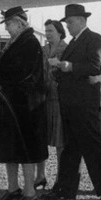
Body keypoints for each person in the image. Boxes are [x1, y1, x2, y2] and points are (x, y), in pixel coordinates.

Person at [42, 4, 101, 200]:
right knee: (71, 149)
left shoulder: (94, 39)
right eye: (67, 23)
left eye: (69, 22)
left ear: (81, 20)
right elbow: (73, 70)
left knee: (94, 147)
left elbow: (97, 67)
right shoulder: (76, 42)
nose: (67, 26)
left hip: (84, 104)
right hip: (72, 103)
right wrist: (58, 70)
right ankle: (65, 189)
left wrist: (69, 66)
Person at [0, 6, 48, 200]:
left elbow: (22, 74)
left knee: (25, 148)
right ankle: (13, 188)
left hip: (25, 106)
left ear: (20, 23)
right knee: (9, 147)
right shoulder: (15, 43)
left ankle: (29, 192)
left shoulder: (30, 43)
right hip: (11, 102)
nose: (7, 28)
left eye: (9, 23)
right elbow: (2, 71)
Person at [35, 18, 68, 191]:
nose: (47, 34)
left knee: (60, 141)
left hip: (60, 99)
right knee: (41, 139)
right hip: (43, 98)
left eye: (50, 31)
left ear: (60, 32)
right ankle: (40, 175)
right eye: (46, 31)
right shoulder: (43, 50)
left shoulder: (67, 49)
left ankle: (61, 178)